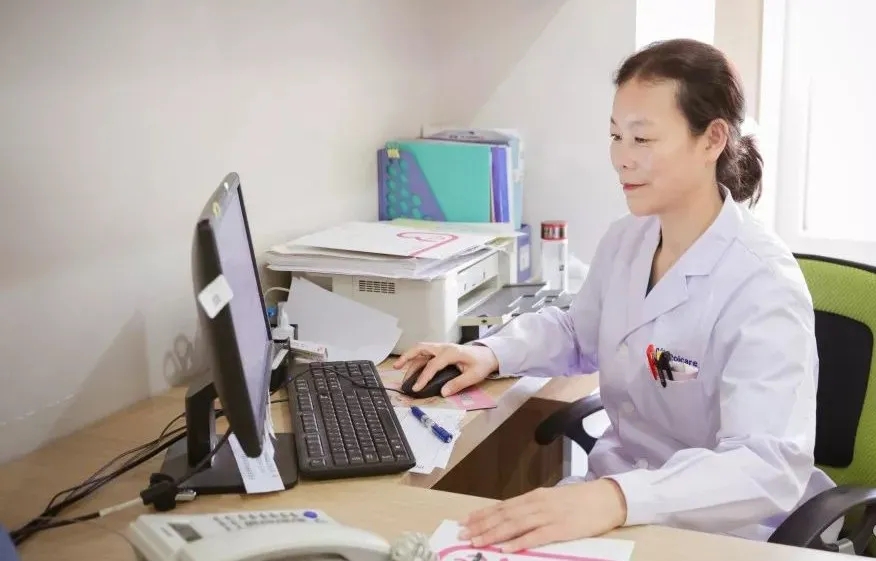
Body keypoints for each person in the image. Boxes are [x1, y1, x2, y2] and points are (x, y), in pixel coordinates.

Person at [393, 38, 838, 552]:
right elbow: (578, 331)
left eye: (642, 139)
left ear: (713, 139)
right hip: (617, 504)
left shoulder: (762, 283)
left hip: (724, 530)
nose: (622, 159)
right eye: (615, 136)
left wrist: (618, 498)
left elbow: (767, 465)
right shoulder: (628, 239)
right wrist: (490, 352)